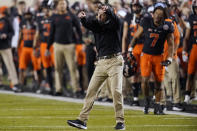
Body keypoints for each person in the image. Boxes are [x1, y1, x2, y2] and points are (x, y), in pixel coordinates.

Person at [67, 4, 125, 130]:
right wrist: (82, 18)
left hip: (115, 61)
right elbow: (88, 24)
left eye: (102, 13)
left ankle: (120, 121)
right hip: (101, 63)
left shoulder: (115, 24)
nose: (99, 15)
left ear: (108, 14)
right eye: (98, 13)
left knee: (116, 91)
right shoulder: (97, 24)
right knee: (91, 91)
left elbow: (117, 20)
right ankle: (82, 120)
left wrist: (109, 10)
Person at [129, 2, 174, 115]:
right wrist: (130, 49)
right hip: (146, 55)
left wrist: (170, 58)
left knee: (159, 82)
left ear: (164, 16)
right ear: (153, 14)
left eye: (161, 14)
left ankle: (158, 105)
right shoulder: (146, 21)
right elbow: (136, 36)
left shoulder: (167, 26)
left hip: (159, 56)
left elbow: (171, 44)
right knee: (144, 80)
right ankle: (147, 101)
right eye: (156, 13)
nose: (158, 16)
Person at [47, 0, 82, 96]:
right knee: (58, 68)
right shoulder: (54, 17)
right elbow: (51, 33)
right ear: (57, 6)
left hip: (70, 45)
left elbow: (79, 29)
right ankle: (58, 89)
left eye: (63, 4)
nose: (62, 5)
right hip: (57, 45)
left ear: (66, 5)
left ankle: (76, 89)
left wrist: (80, 42)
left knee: (72, 68)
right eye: (60, 4)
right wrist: (48, 47)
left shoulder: (71, 16)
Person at [122, 0, 144, 106]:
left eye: (137, 6)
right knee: (133, 71)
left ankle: (152, 98)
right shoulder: (129, 16)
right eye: (134, 6)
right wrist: (123, 51)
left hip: (144, 47)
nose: (135, 8)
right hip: (133, 48)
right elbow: (125, 36)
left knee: (146, 72)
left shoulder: (146, 17)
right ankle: (135, 99)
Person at [34, 1, 54, 95]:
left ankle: (59, 87)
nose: (45, 11)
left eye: (47, 9)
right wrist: (35, 47)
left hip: (53, 44)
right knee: (47, 67)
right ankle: (50, 86)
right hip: (43, 45)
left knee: (57, 66)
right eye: (44, 9)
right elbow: (37, 34)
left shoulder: (54, 18)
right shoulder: (40, 19)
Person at [0, 6, 20, 92]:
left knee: (10, 65)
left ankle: (14, 84)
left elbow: (12, 32)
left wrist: (6, 35)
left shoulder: (7, 20)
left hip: (5, 45)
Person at [182, 0, 197, 104]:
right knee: (190, 73)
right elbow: (186, 37)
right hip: (195, 47)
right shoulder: (191, 18)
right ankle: (187, 95)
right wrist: (184, 51)